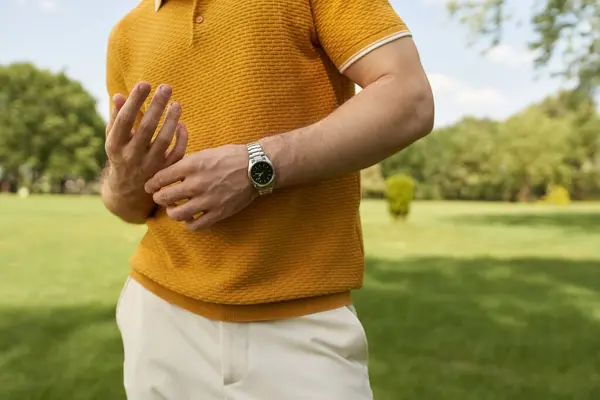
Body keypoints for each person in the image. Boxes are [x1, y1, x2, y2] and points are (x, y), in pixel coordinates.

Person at [102, 0, 434, 398]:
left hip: (300, 331)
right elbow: (128, 206)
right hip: (157, 320)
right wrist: (125, 178)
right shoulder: (126, 33)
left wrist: (255, 166)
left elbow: (409, 98)